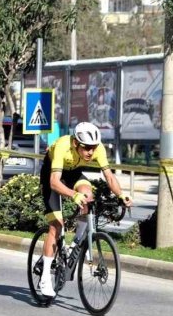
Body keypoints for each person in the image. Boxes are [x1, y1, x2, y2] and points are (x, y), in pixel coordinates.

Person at [37, 122, 132, 297]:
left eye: (93, 148)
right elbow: (54, 182)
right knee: (56, 226)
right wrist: (73, 195)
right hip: (52, 175)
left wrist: (121, 195)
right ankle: (44, 279)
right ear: (75, 143)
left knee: (88, 195)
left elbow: (109, 176)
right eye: (86, 148)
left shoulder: (98, 149)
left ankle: (79, 240)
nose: (90, 152)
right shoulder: (63, 146)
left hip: (74, 173)